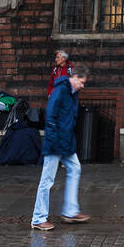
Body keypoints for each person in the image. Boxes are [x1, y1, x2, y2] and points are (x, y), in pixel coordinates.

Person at [31, 62, 90, 232]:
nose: (82, 85)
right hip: (56, 143)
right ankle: (38, 218)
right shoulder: (61, 90)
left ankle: (70, 211)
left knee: (75, 169)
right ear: (75, 77)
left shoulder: (72, 93)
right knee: (47, 180)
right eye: (82, 82)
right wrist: (56, 140)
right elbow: (51, 115)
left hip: (65, 142)